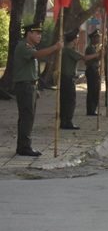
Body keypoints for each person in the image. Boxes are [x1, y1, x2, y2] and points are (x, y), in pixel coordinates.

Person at [12, 22, 63, 157]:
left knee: (28, 116)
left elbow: (30, 70)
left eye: (41, 33)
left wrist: (35, 87)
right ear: (29, 33)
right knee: (26, 117)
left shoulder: (30, 47)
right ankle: (24, 147)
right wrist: (55, 47)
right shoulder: (23, 47)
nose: (40, 36)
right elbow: (37, 55)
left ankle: (23, 145)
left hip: (30, 86)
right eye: (37, 33)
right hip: (24, 86)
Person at [59, 29, 102, 130]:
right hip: (67, 77)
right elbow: (85, 58)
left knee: (64, 101)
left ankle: (64, 121)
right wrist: (97, 53)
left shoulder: (66, 49)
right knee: (70, 100)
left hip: (65, 77)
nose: (78, 40)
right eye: (77, 38)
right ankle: (67, 121)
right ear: (74, 40)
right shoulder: (69, 49)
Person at [85, 30, 103, 115]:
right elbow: (96, 59)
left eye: (99, 37)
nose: (99, 38)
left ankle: (93, 109)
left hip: (94, 69)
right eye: (97, 37)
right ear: (92, 38)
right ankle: (91, 110)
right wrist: (103, 52)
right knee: (93, 91)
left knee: (95, 90)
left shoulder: (93, 47)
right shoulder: (90, 48)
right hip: (92, 70)